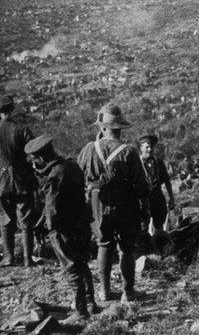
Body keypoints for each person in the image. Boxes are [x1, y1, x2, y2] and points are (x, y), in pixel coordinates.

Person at [77, 104, 150, 303]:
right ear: (119, 128)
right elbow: (141, 185)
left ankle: (104, 292)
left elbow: (78, 176)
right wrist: (146, 209)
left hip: (97, 202)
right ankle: (128, 293)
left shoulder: (88, 150)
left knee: (104, 244)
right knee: (126, 248)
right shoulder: (129, 152)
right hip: (125, 202)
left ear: (102, 128)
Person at [25, 135, 96, 321]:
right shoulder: (71, 166)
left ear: (40, 159)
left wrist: (46, 228)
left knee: (70, 268)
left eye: (34, 161)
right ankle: (90, 303)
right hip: (82, 225)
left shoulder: (54, 176)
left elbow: (52, 208)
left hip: (64, 230)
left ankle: (81, 312)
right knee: (81, 263)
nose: (34, 166)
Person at [0, 95, 39, 266]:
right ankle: (27, 259)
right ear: (12, 109)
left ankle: (9, 257)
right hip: (22, 179)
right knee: (26, 219)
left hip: (1, 181)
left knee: (5, 218)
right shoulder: (22, 129)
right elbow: (35, 153)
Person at [139, 135, 175, 241]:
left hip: (157, 198)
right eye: (147, 147)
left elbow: (167, 182)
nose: (149, 150)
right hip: (142, 199)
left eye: (151, 147)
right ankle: (145, 251)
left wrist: (171, 198)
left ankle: (159, 248)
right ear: (141, 147)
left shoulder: (158, 163)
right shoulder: (136, 163)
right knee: (143, 228)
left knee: (159, 226)